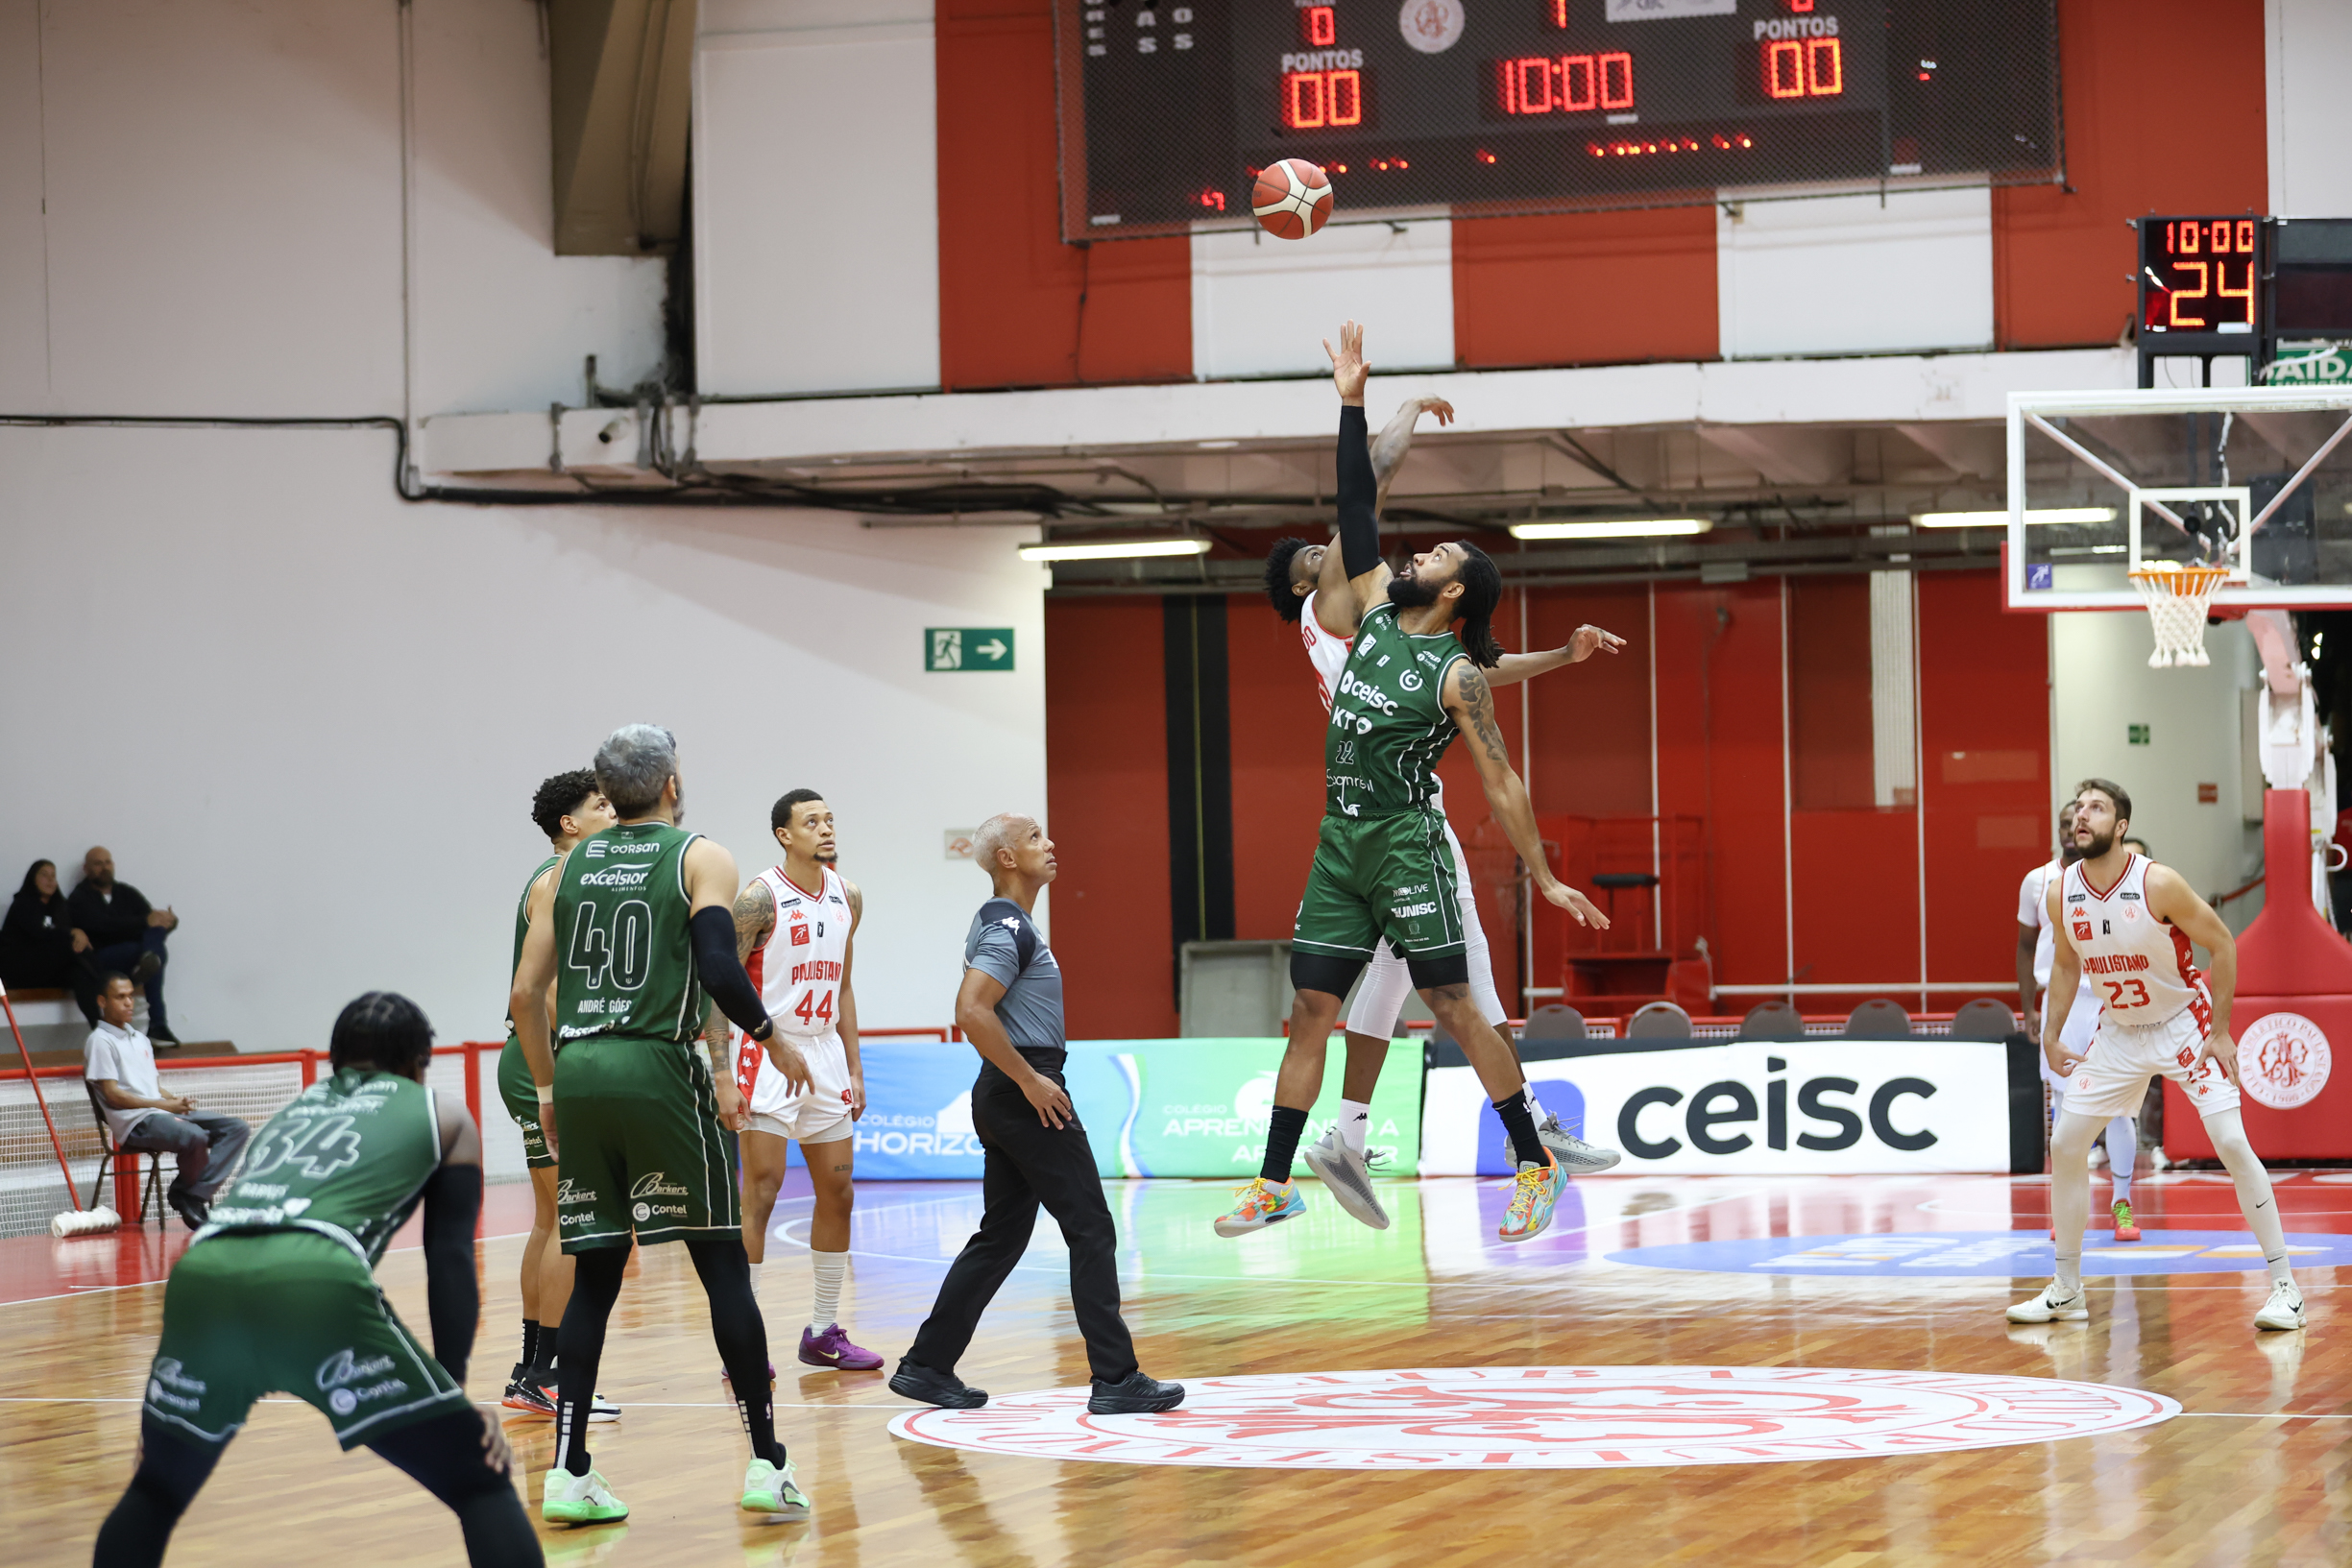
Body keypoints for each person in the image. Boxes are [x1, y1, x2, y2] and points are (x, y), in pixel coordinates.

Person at [1219, 321, 1619, 1246]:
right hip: (1339, 838)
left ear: (1453, 594)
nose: (1414, 555)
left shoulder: (1457, 673)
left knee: (1451, 1001)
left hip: (1405, 838)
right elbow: (1357, 497)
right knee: (1309, 1009)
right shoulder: (1361, 610)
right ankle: (1276, 1179)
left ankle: (1531, 1157)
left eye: (1435, 558)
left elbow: (1504, 781)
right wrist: (1352, 402)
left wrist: (1544, 873)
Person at [92, 992, 542, 1568]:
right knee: (479, 1479)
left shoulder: (295, 1110)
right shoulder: (444, 1114)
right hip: (312, 1275)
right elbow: (450, 1259)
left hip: (203, 1271)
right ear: (419, 1062)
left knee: (156, 1488)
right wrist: (450, 1391)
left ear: (336, 1058)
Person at [510, 724, 810, 1526]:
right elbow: (717, 964)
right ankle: (767, 1463)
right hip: (658, 1065)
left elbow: (524, 993)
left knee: (596, 1276)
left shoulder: (567, 865)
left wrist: (547, 1086)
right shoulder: (700, 855)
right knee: (721, 1266)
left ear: (609, 791)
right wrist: (770, 1036)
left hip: (578, 1067)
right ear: (671, 782)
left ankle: (569, 1472)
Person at [890, 813, 1184, 1416]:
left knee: (1001, 1236)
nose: (1050, 844)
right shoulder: (1007, 927)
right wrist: (1031, 1081)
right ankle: (1116, 1378)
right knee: (1091, 1227)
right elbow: (971, 1011)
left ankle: (927, 1365)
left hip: (1007, 1091)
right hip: (1025, 1091)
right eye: (1033, 838)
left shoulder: (1007, 923)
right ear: (1006, 858)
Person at [2009, 779, 2307, 1332]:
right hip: (2119, 1032)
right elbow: (2068, 965)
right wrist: (2051, 1033)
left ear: (2121, 826)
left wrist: (2221, 1030)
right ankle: (2066, 1288)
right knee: (2067, 1143)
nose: (2082, 815)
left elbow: (2222, 943)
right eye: (2079, 807)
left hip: (2182, 1024)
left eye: (2097, 808)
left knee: (2230, 1142)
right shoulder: (2060, 891)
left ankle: (2286, 1288)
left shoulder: (2158, 882)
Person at [717, 788, 881, 1371]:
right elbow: (720, 985)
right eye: (812, 821)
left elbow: (844, 986)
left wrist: (854, 1065)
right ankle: (742, 1341)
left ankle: (822, 1331)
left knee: (839, 1191)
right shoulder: (759, 899)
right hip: (767, 1050)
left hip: (825, 1054)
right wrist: (722, 1072)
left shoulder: (848, 895)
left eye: (830, 819)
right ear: (784, 835)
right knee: (761, 1192)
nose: (826, 828)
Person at [496, 770, 620, 1418]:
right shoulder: (561, 877)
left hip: (534, 1057)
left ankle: (530, 1371)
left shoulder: (563, 875)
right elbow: (543, 989)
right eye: (601, 806)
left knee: (550, 1219)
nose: (613, 812)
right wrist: (575, 1064)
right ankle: (549, 1374)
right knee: (574, 1222)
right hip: (545, 1060)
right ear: (570, 824)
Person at [2016, 803, 2137, 1241]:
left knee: (2118, 1108)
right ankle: (2066, 1210)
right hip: (2062, 1002)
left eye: (2081, 821)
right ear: (2059, 829)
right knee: (2068, 1109)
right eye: (2066, 822)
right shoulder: (2038, 881)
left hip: (2110, 998)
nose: (2073, 828)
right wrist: (2030, 1007)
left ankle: (2122, 1204)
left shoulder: (2118, 877)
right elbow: (2025, 946)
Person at [85, 974, 249, 1230]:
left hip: (159, 1112)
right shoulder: (100, 1041)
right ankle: (188, 1194)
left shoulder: (140, 1038)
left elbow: (151, 1086)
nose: (129, 1002)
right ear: (102, 1001)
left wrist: (173, 1099)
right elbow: (113, 1094)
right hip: (135, 1123)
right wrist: (164, 1106)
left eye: (131, 996)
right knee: (194, 1135)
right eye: (120, 997)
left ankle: (191, 1193)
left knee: (236, 1128)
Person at [69, 847, 179, 1042]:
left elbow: (150, 920)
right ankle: (158, 1025)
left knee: (155, 939)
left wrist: (168, 922)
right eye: (98, 863)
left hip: (133, 955)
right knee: (151, 950)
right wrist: (144, 922)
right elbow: (102, 926)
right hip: (101, 959)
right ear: (86, 869)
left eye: (108, 862)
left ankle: (148, 960)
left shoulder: (127, 893)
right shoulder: (79, 897)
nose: (105, 867)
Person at [2, 859, 76, 990]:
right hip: (22, 964)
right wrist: (72, 933)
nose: (50, 880)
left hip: (47, 966)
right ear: (33, 879)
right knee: (71, 948)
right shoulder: (23, 904)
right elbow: (39, 934)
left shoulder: (59, 906)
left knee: (78, 951)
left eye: (53, 876)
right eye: (44, 875)